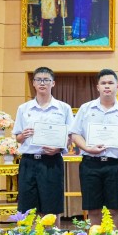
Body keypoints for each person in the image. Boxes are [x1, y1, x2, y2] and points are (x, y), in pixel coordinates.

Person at [70, 69, 118, 224]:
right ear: (97, 86)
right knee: (93, 209)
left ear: (117, 86)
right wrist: (87, 148)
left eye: (110, 83)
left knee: (115, 210)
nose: (107, 86)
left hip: (115, 166)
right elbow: (75, 134)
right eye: (103, 83)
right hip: (90, 164)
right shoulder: (86, 109)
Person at [12, 67, 74, 216]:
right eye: (38, 79)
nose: (42, 83)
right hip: (29, 161)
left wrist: (59, 148)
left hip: (52, 162)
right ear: (33, 83)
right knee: (27, 208)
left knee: (52, 207)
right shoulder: (23, 108)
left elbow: (70, 136)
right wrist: (23, 135)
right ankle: (29, 233)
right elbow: (17, 137)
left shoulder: (63, 108)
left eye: (46, 80)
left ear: (53, 83)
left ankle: (53, 232)